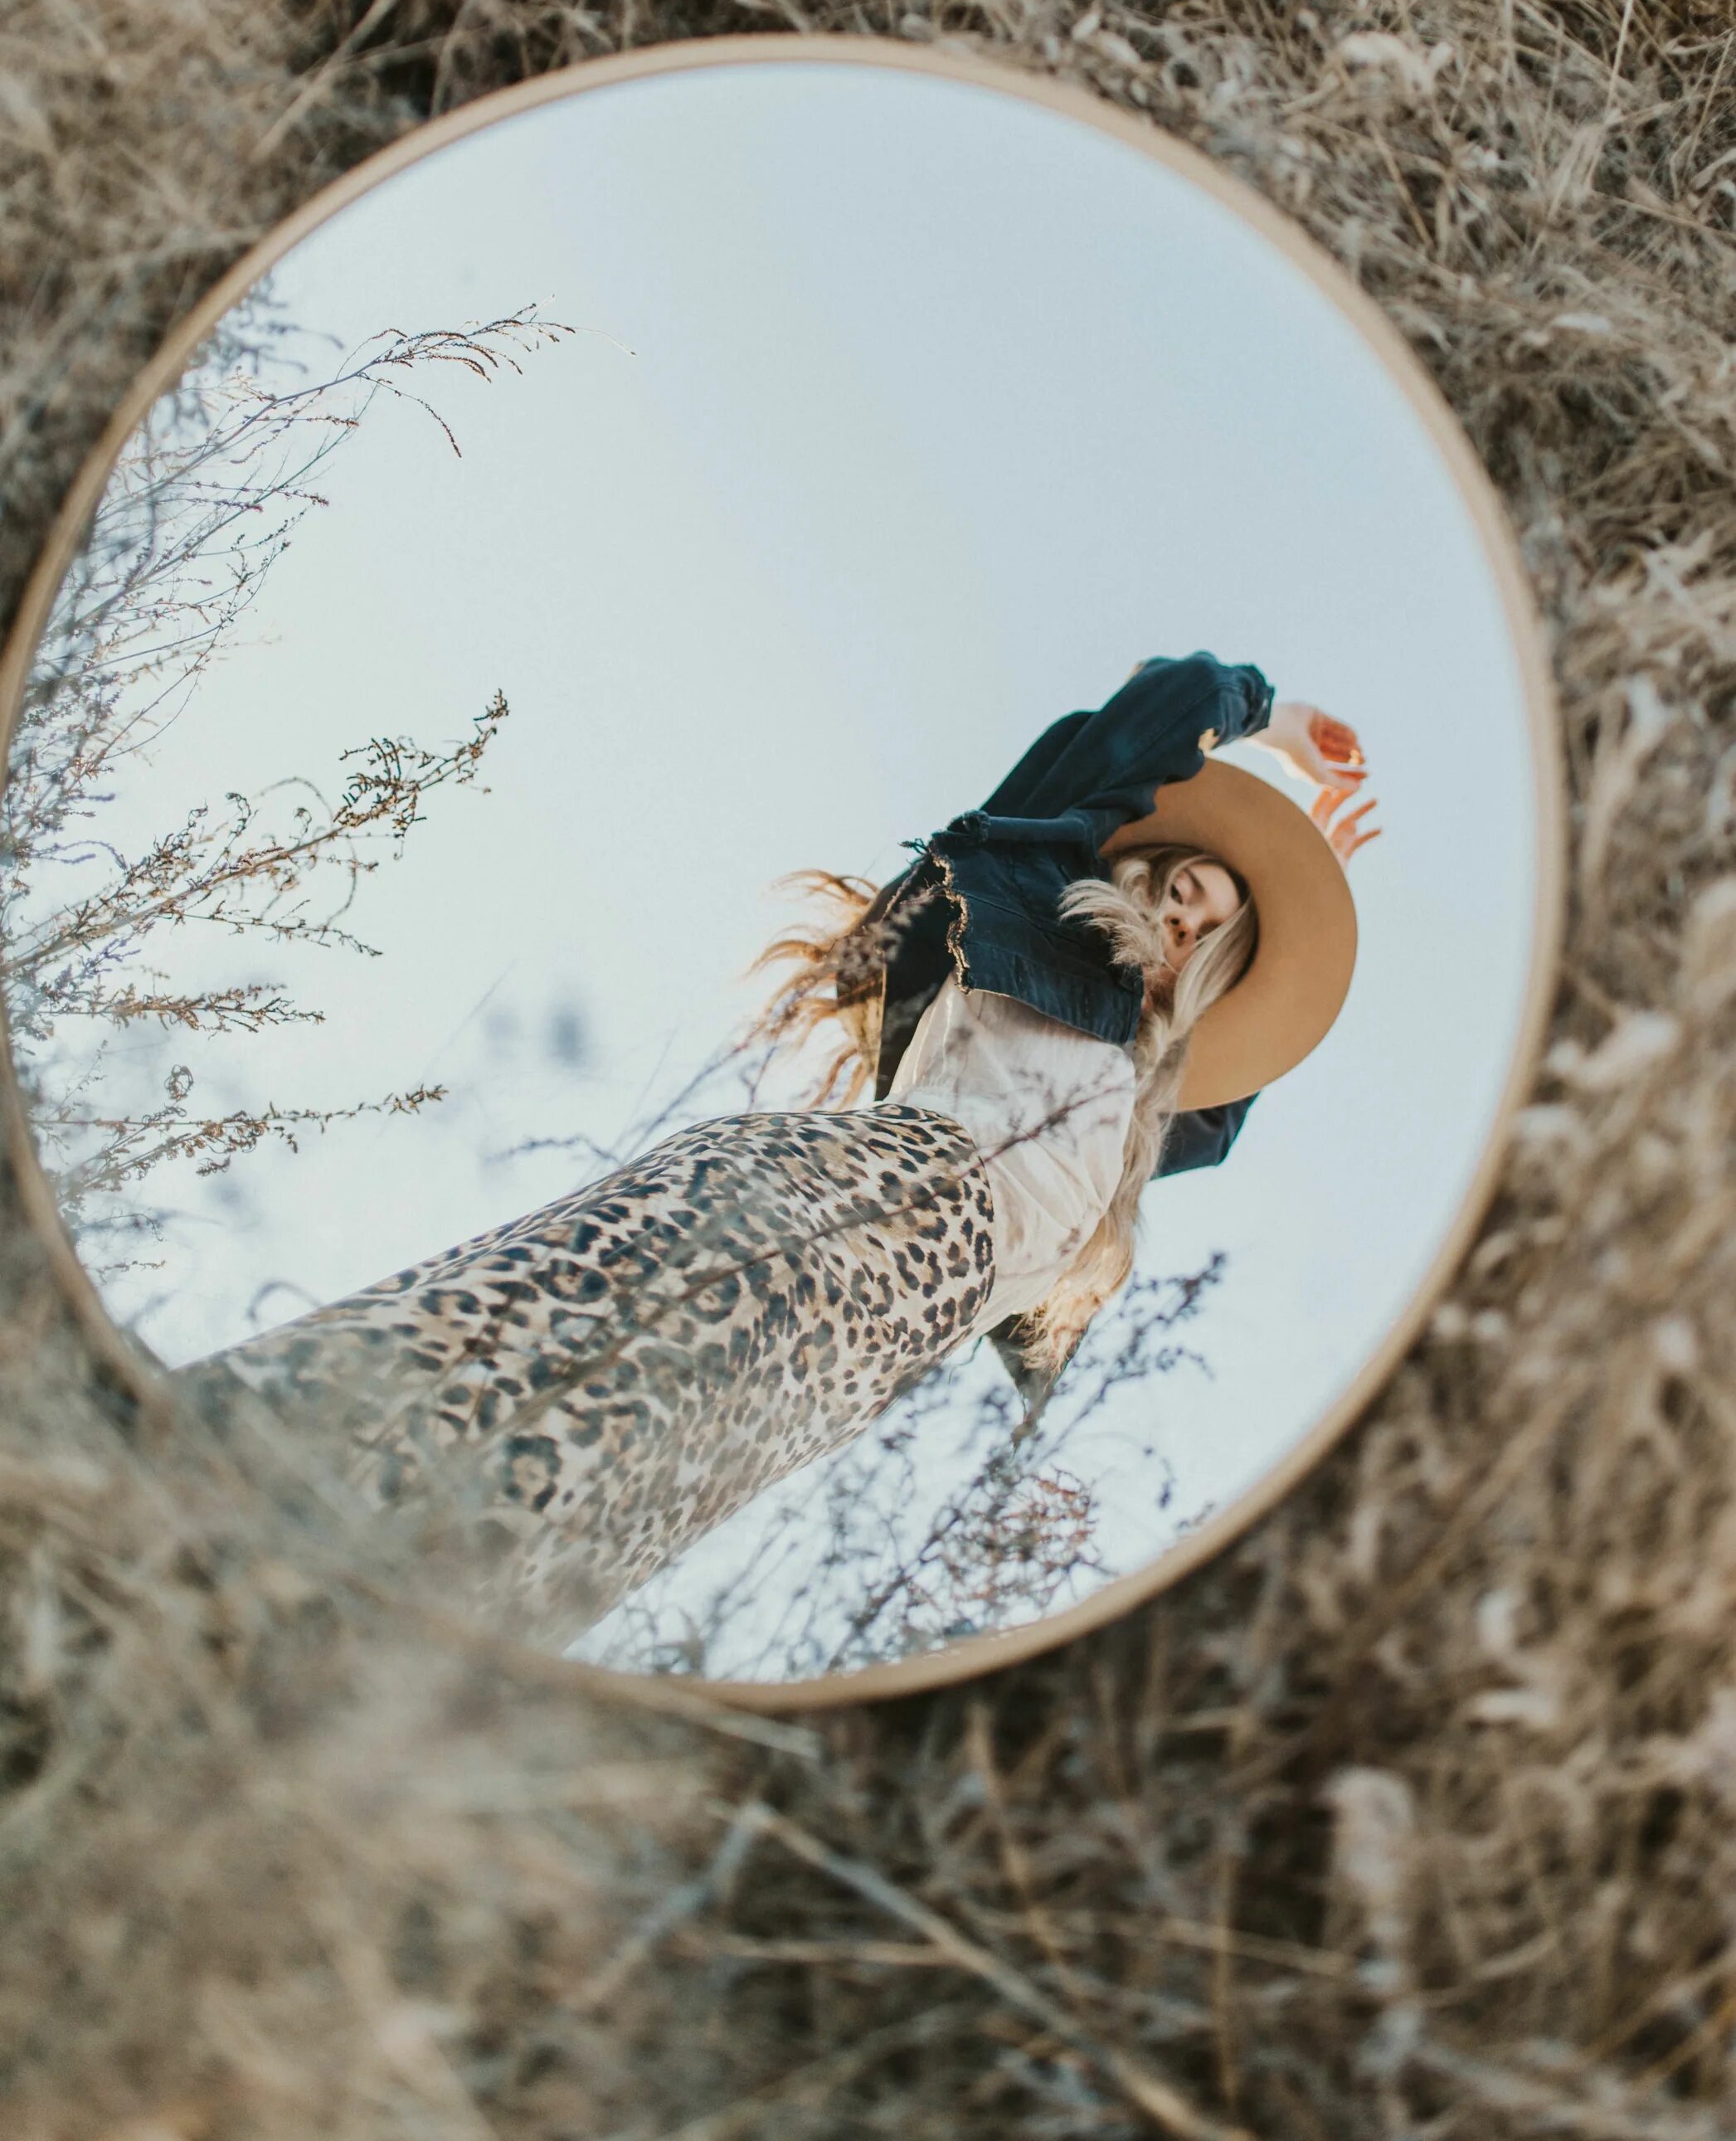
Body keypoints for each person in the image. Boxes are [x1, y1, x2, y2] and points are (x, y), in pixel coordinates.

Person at [177, 652, 1376, 1646]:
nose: (1178, 914)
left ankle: (260, 1676)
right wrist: (1261, 723)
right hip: (860, 1198)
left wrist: (1310, 864)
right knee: (500, 1351)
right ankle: (163, 1520)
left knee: (576, 1510)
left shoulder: (1140, 1120)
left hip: (885, 1337)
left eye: (1207, 927)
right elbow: (1136, 724)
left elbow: (1235, 1090)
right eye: (1176, 883)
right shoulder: (1044, 925)